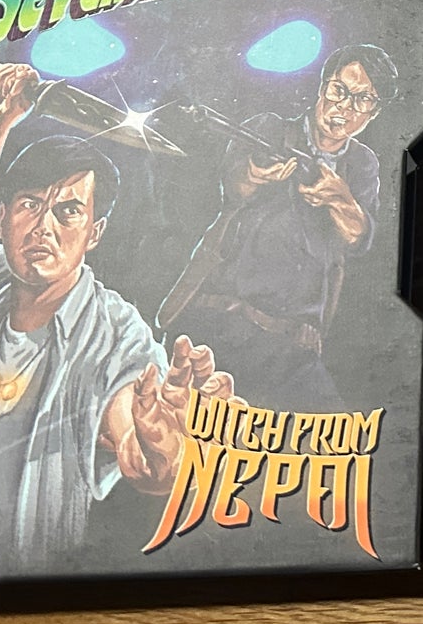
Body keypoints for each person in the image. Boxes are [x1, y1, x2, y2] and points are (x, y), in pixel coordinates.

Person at [0, 62, 233, 574]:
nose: (44, 227)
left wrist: (160, 453)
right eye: (30, 205)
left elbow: (133, 438)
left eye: (69, 211)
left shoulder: (117, 333)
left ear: (94, 232)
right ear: (3, 218)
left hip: (23, 583)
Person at [159, 43, 394, 407]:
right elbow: (232, 187)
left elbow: (359, 239)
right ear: (323, 87)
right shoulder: (269, 128)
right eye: (339, 90)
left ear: (373, 113)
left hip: (291, 345)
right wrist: (255, 173)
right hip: (219, 317)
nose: (345, 108)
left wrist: (339, 198)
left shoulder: (362, 164)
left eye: (362, 100)